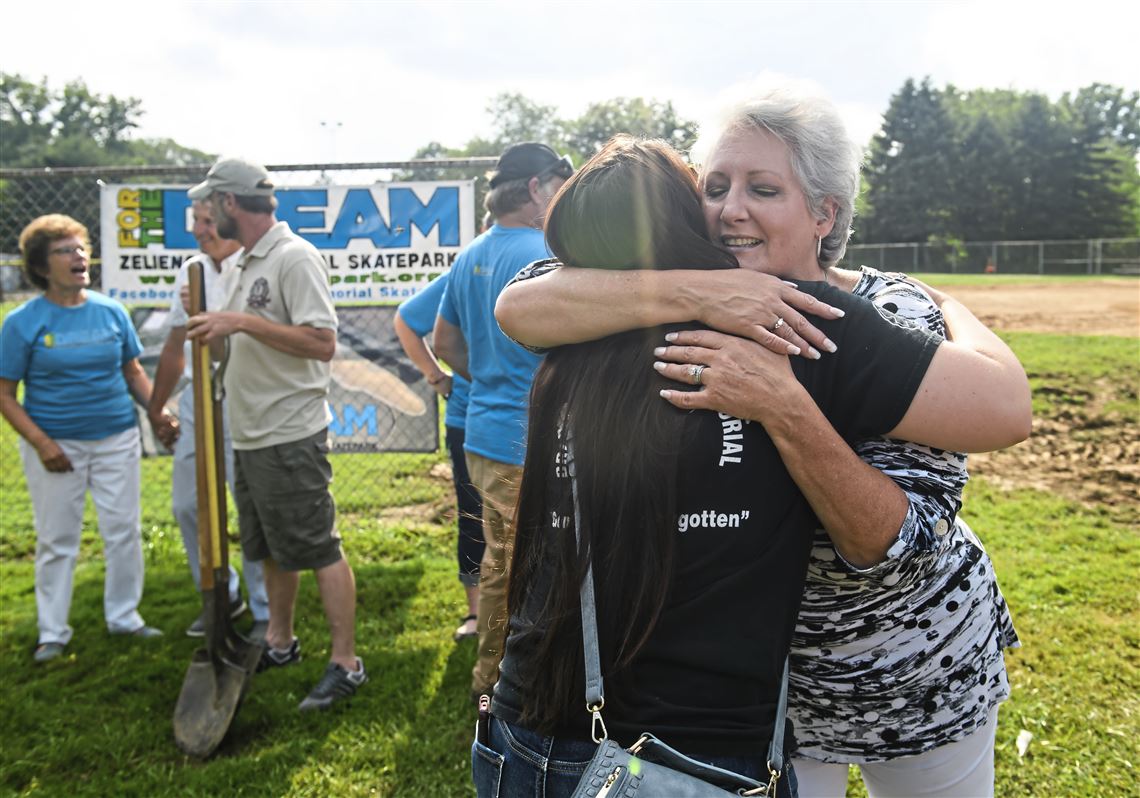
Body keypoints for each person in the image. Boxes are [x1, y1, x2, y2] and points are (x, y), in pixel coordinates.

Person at [494, 88, 1030, 797]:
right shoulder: (638, 298)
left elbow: (976, 446)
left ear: (824, 214)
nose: (730, 209)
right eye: (714, 187)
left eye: (764, 189)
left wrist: (786, 403)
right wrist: (699, 292)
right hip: (761, 702)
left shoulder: (877, 313)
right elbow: (520, 300)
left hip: (904, 666)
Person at [184, 157, 365, 711]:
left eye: (211, 203)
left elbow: (321, 343)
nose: (207, 215)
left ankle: (346, 664)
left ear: (230, 202)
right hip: (251, 433)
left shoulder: (294, 256)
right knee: (268, 548)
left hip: (288, 432)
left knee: (318, 547)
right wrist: (211, 323)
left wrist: (238, 320)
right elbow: (238, 345)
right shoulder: (244, 261)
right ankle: (280, 642)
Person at [431, 142, 572, 699]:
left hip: (483, 433)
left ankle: (498, 677)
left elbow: (444, 342)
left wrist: (490, 376)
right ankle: (495, 684)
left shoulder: (471, 253)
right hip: (527, 439)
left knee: (500, 560)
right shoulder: (546, 254)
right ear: (536, 188)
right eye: (558, 185)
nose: (563, 199)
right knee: (519, 568)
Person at [0, 214, 163, 664]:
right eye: (65, 251)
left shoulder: (111, 311)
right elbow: (5, 394)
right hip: (56, 446)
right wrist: (42, 443)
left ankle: (125, 617)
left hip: (117, 438)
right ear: (41, 266)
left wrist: (158, 412)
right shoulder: (22, 322)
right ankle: (53, 631)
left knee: (124, 531)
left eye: (81, 249)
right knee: (57, 539)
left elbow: (133, 371)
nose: (79, 257)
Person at [146, 198, 269, 639]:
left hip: (245, 398)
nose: (199, 230)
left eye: (206, 221)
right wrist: (156, 406)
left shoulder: (254, 267)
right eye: (195, 221)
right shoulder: (192, 269)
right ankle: (221, 594)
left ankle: (265, 608)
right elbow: (174, 346)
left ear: (230, 219)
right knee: (186, 504)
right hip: (199, 397)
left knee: (249, 504)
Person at [393, 273, 484, 641]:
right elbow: (406, 321)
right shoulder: (466, 270)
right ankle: (477, 613)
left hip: (523, 415)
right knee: (473, 513)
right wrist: (437, 378)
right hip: (470, 418)